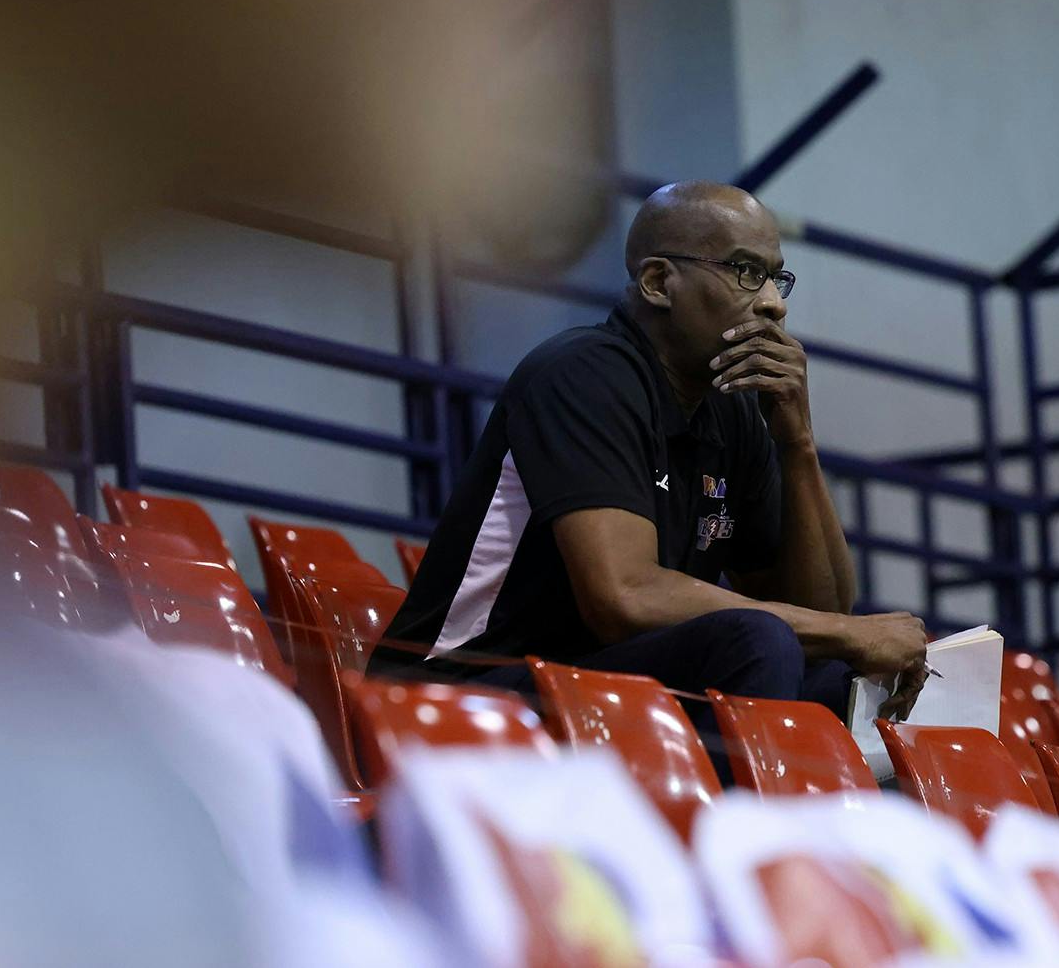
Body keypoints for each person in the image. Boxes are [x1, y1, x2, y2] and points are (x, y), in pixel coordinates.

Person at [370, 181, 931, 758]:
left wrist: (797, 441)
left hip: (588, 682)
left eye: (774, 277)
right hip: (453, 696)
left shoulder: (732, 408)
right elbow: (625, 598)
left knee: (839, 682)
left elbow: (823, 613)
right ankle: (729, 819)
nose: (773, 303)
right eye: (745, 271)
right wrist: (844, 632)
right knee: (756, 641)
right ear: (659, 282)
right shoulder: (582, 374)